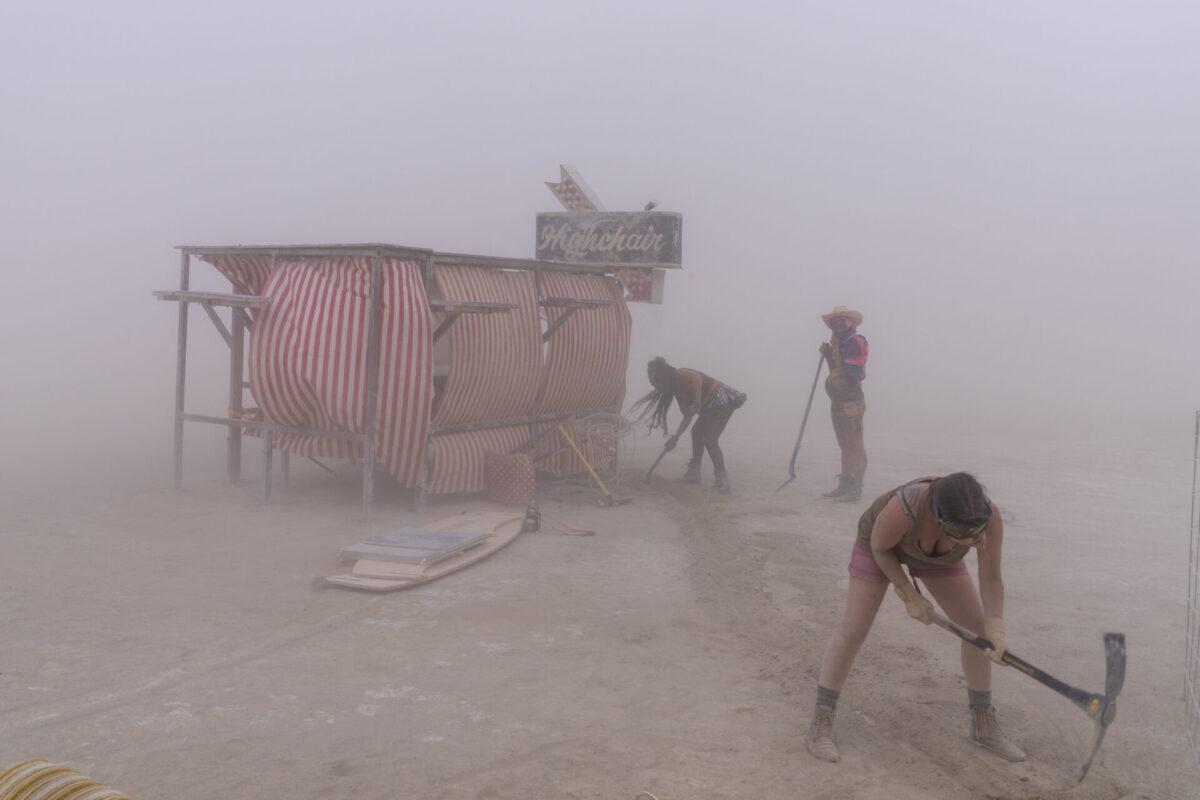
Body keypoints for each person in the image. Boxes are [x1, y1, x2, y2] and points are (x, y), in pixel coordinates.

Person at [805, 472, 1026, 764]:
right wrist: (908, 593)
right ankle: (821, 722)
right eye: (961, 534)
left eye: (975, 535)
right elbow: (881, 549)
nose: (972, 541)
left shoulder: (988, 518)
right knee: (854, 629)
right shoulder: (903, 510)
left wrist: (995, 627)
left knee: (977, 631)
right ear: (937, 515)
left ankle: (983, 725)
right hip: (879, 548)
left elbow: (991, 576)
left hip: (937, 558)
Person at [631, 357, 747, 493]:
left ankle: (723, 481)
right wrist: (675, 438)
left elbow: (696, 378)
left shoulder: (681, 374)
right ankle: (694, 473)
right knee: (696, 433)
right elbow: (687, 416)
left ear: (664, 375)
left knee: (710, 439)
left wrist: (697, 402)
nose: (654, 383)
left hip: (722, 402)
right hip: (708, 408)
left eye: (655, 379)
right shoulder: (678, 392)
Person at [819, 306, 869, 503]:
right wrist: (828, 355)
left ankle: (856, 487)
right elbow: (834, 372)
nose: (837, 326)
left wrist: (836, 350)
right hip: (837, 401)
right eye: (834, 323)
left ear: (850, 322)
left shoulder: (857, 342)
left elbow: (848, 373)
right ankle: (845, 483)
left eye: (841, 322)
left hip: (851, 401)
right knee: (844, 444)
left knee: (855, 443)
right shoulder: (840, 344)